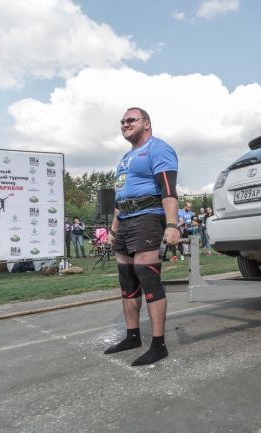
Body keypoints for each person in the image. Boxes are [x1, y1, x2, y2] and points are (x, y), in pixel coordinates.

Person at [104, 107, 180, 367]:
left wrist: (172, 225)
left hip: (148, 218)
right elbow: (119, 196)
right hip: (125, 221)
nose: (125, 124)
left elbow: (168, 189)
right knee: (127, 280)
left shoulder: (159, 149)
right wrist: (113, 230)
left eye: (130, 120)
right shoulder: (125, 158)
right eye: (122, 121)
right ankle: (132, 336)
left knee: (148, 277)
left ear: (146, 123)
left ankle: (158, 345)